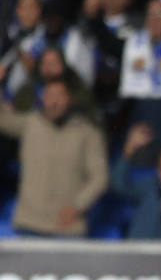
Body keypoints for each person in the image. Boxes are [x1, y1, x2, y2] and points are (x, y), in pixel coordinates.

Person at [0, 79, 108, 237]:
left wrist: (77, 207)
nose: (54, 101)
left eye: (60, 95)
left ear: (71, 99)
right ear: (42, 98)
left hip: (67, 227)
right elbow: (3, 120)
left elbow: (99, 178)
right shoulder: (31, 123)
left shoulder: (88, 132)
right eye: (49, 95)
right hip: (29, 224)